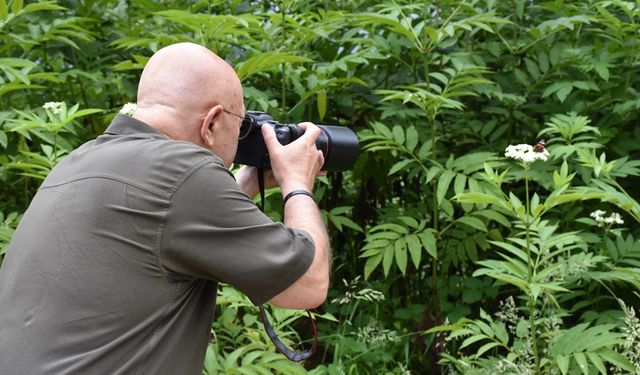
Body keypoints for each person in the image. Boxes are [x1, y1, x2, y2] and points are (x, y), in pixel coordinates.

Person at [0, 42, 331, 374]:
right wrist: (297, 182)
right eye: (241, 124)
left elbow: (164, 223)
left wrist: (246, 184)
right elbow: (307, 286)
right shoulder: (184, 170)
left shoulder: (77, 161)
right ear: (212, 122)